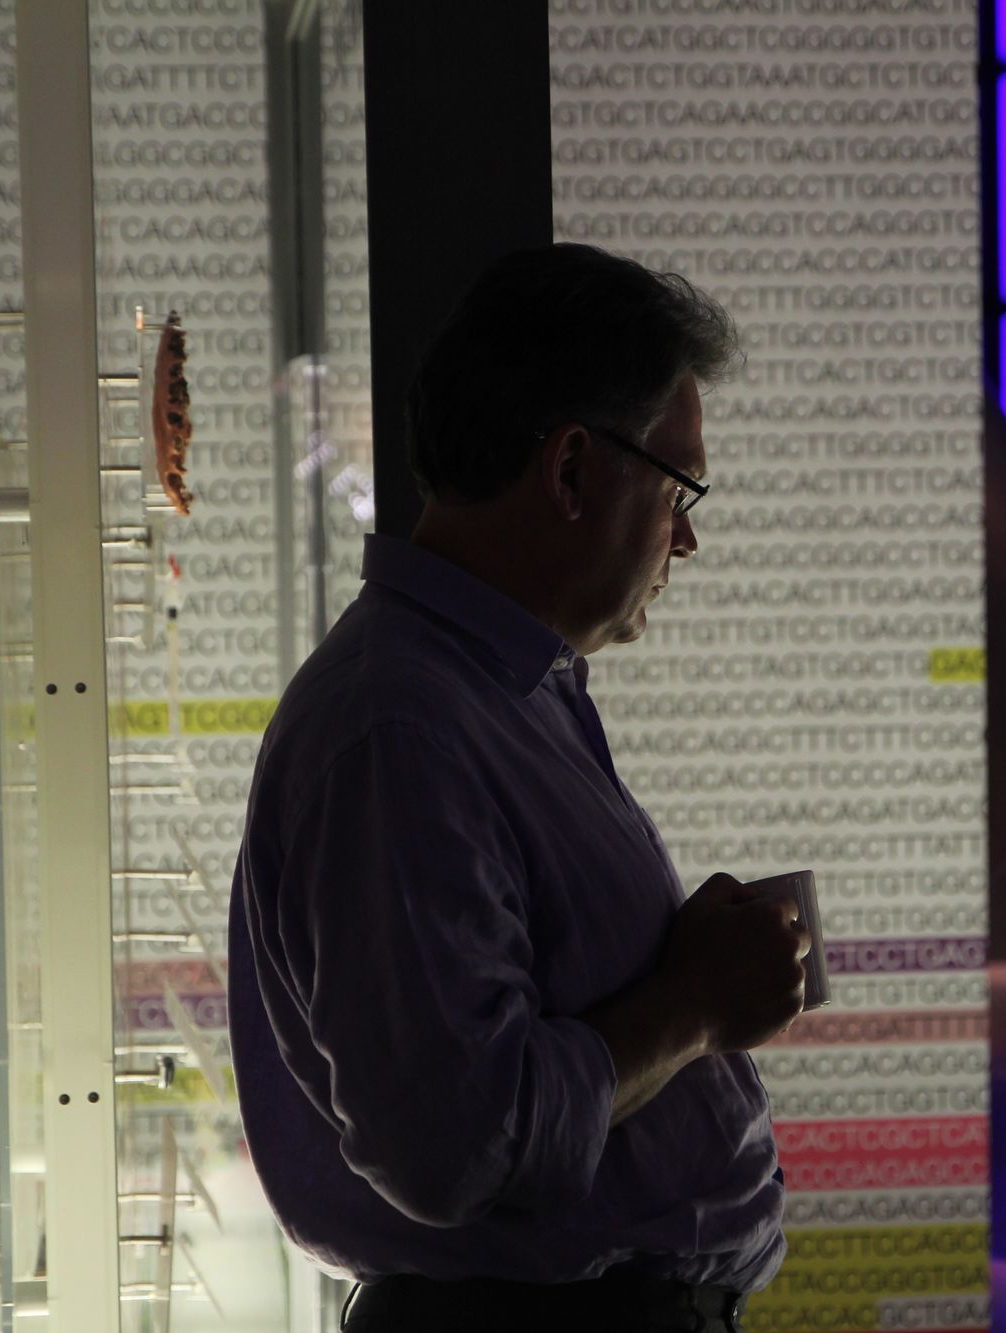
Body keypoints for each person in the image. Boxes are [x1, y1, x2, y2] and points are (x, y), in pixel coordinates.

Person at [227, 243, 809, 1333]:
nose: (686, 536)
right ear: (573, 471)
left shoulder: (501, 690)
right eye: (677, 487)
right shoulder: (399, 729)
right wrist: (690, 1005)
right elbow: (456, 1143)